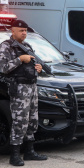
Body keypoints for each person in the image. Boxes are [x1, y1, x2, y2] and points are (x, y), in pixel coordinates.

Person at [0, 20, 47, 166]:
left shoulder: (27, 46)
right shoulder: (6, 46)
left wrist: (37, 68)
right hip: (19, 88)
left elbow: (31, 66)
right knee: (19, 121)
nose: (24, 33)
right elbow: (3, 68)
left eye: (25, 31)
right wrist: (20, 59)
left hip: (32, 87)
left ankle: (29, 151)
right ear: (12, 31)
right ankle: (14, 155)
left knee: (32, 120)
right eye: (21, 31)